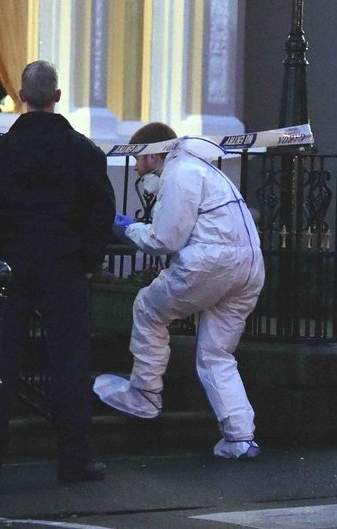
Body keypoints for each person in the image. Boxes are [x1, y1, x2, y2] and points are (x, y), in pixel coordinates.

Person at [0, 60, 115, 483]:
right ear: (58, 97)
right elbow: (101, 210)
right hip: (64, 267)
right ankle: (75, 455)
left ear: (21, 96)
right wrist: (88, 260)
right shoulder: (82, 151)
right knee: (69, 362)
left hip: (11, 267)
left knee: (1, 361)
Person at [93, 122, 266, 459]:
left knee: (148, 307)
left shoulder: (179, 172)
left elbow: (165, 239)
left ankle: (144, 394)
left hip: (210, 264)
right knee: (217, 354)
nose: (138, 172)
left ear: (153, 154)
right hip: (249, 268)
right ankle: (241, 438)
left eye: (139, 163)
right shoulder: (205, 171)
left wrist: (129, 228)